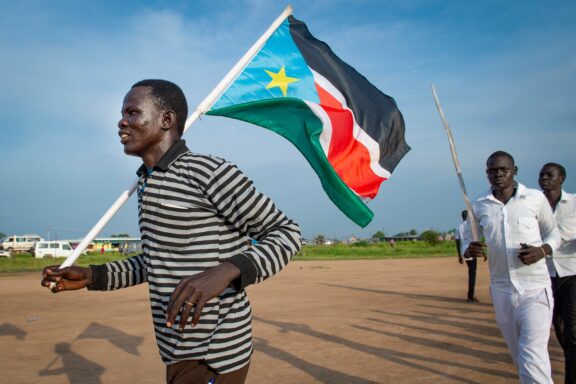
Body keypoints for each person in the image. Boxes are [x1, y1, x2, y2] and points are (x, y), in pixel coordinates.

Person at [41, 79, 302, 384]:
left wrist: (227, 270)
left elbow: (286, 233)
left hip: (215, 353)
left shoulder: (208, 172)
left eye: (132, 112)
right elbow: (155, 261)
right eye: (122, 113)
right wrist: (94, 276)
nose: (121, 121)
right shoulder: (146, 183)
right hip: (176, 348)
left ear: (166, 120)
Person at [462, 151, 560, 384]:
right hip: (502, 290)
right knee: (519, 356)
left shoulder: (534, 199)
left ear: (514, 171)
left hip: (535, 288)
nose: (498, 174)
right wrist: (468, 249)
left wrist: (542, 251)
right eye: (493, 171)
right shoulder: (479, 205)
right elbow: (466, 237)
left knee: (532, 354)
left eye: (503, 170)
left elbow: (553, 233)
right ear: (486, 174)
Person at [539, 162, 576, 384]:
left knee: (573, 330)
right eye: (541, 175)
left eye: (549, 174)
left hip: (572, 272)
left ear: (561, 178)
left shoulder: (574, 203)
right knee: (558, 328)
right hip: (545, 273)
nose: (544, 178)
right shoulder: (534, 204)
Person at [454, 210, 479, 303]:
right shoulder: (471, 226)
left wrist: (459, 256)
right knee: (472, 273)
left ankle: (471, 295)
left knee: (471, 272)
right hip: (471, 250)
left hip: (463, 250)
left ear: (462, 217)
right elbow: (476, 240)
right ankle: (470, 296)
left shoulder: (458, 227)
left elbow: (457, 242)